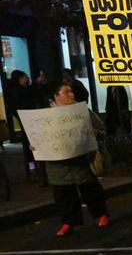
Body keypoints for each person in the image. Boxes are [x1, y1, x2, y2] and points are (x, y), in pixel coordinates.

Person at [43, 81, 110, 236]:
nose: (71, 94)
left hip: (81, 158)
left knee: (90, 188)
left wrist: (96, 133)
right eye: (66, 92)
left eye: (71, 91)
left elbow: (102, 129)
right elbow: (38, 136)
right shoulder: (46, 116)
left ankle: (101, 214)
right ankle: (68, 222)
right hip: (58, 163)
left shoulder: (82, 111)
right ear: (56, 96)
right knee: (64, 194)